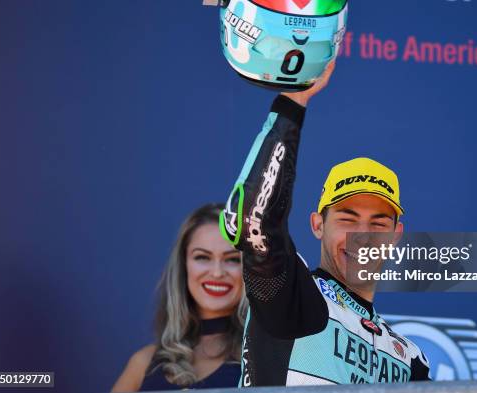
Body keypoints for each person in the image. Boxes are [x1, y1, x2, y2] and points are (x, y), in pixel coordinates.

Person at [219, 62, 431, 386]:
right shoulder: (294, 296)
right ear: (318, 225)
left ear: (395, 235)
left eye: (378, 223)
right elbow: (252, 222)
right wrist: (293, 103)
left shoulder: (408, 358)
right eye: (347, 218)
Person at [112, 203, 247, 392]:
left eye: (233, 259)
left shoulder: (267, 359)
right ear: (183, 266)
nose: (217, 272)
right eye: (202, 257)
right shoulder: (143, 363)